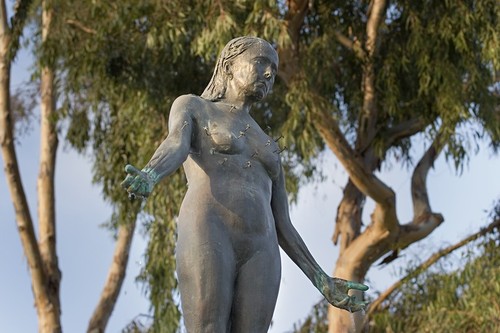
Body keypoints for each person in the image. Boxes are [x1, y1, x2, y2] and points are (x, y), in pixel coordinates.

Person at [122, 36, 368, 332]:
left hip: (262, 246)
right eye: (261, 63)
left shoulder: (268, 144)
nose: (268, 74)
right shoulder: (194, 107)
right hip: (209, 227)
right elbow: (176, 142)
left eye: (274, 71)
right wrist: (151, 174)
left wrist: (322, 280)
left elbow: (284, 225)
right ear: (229, 66)